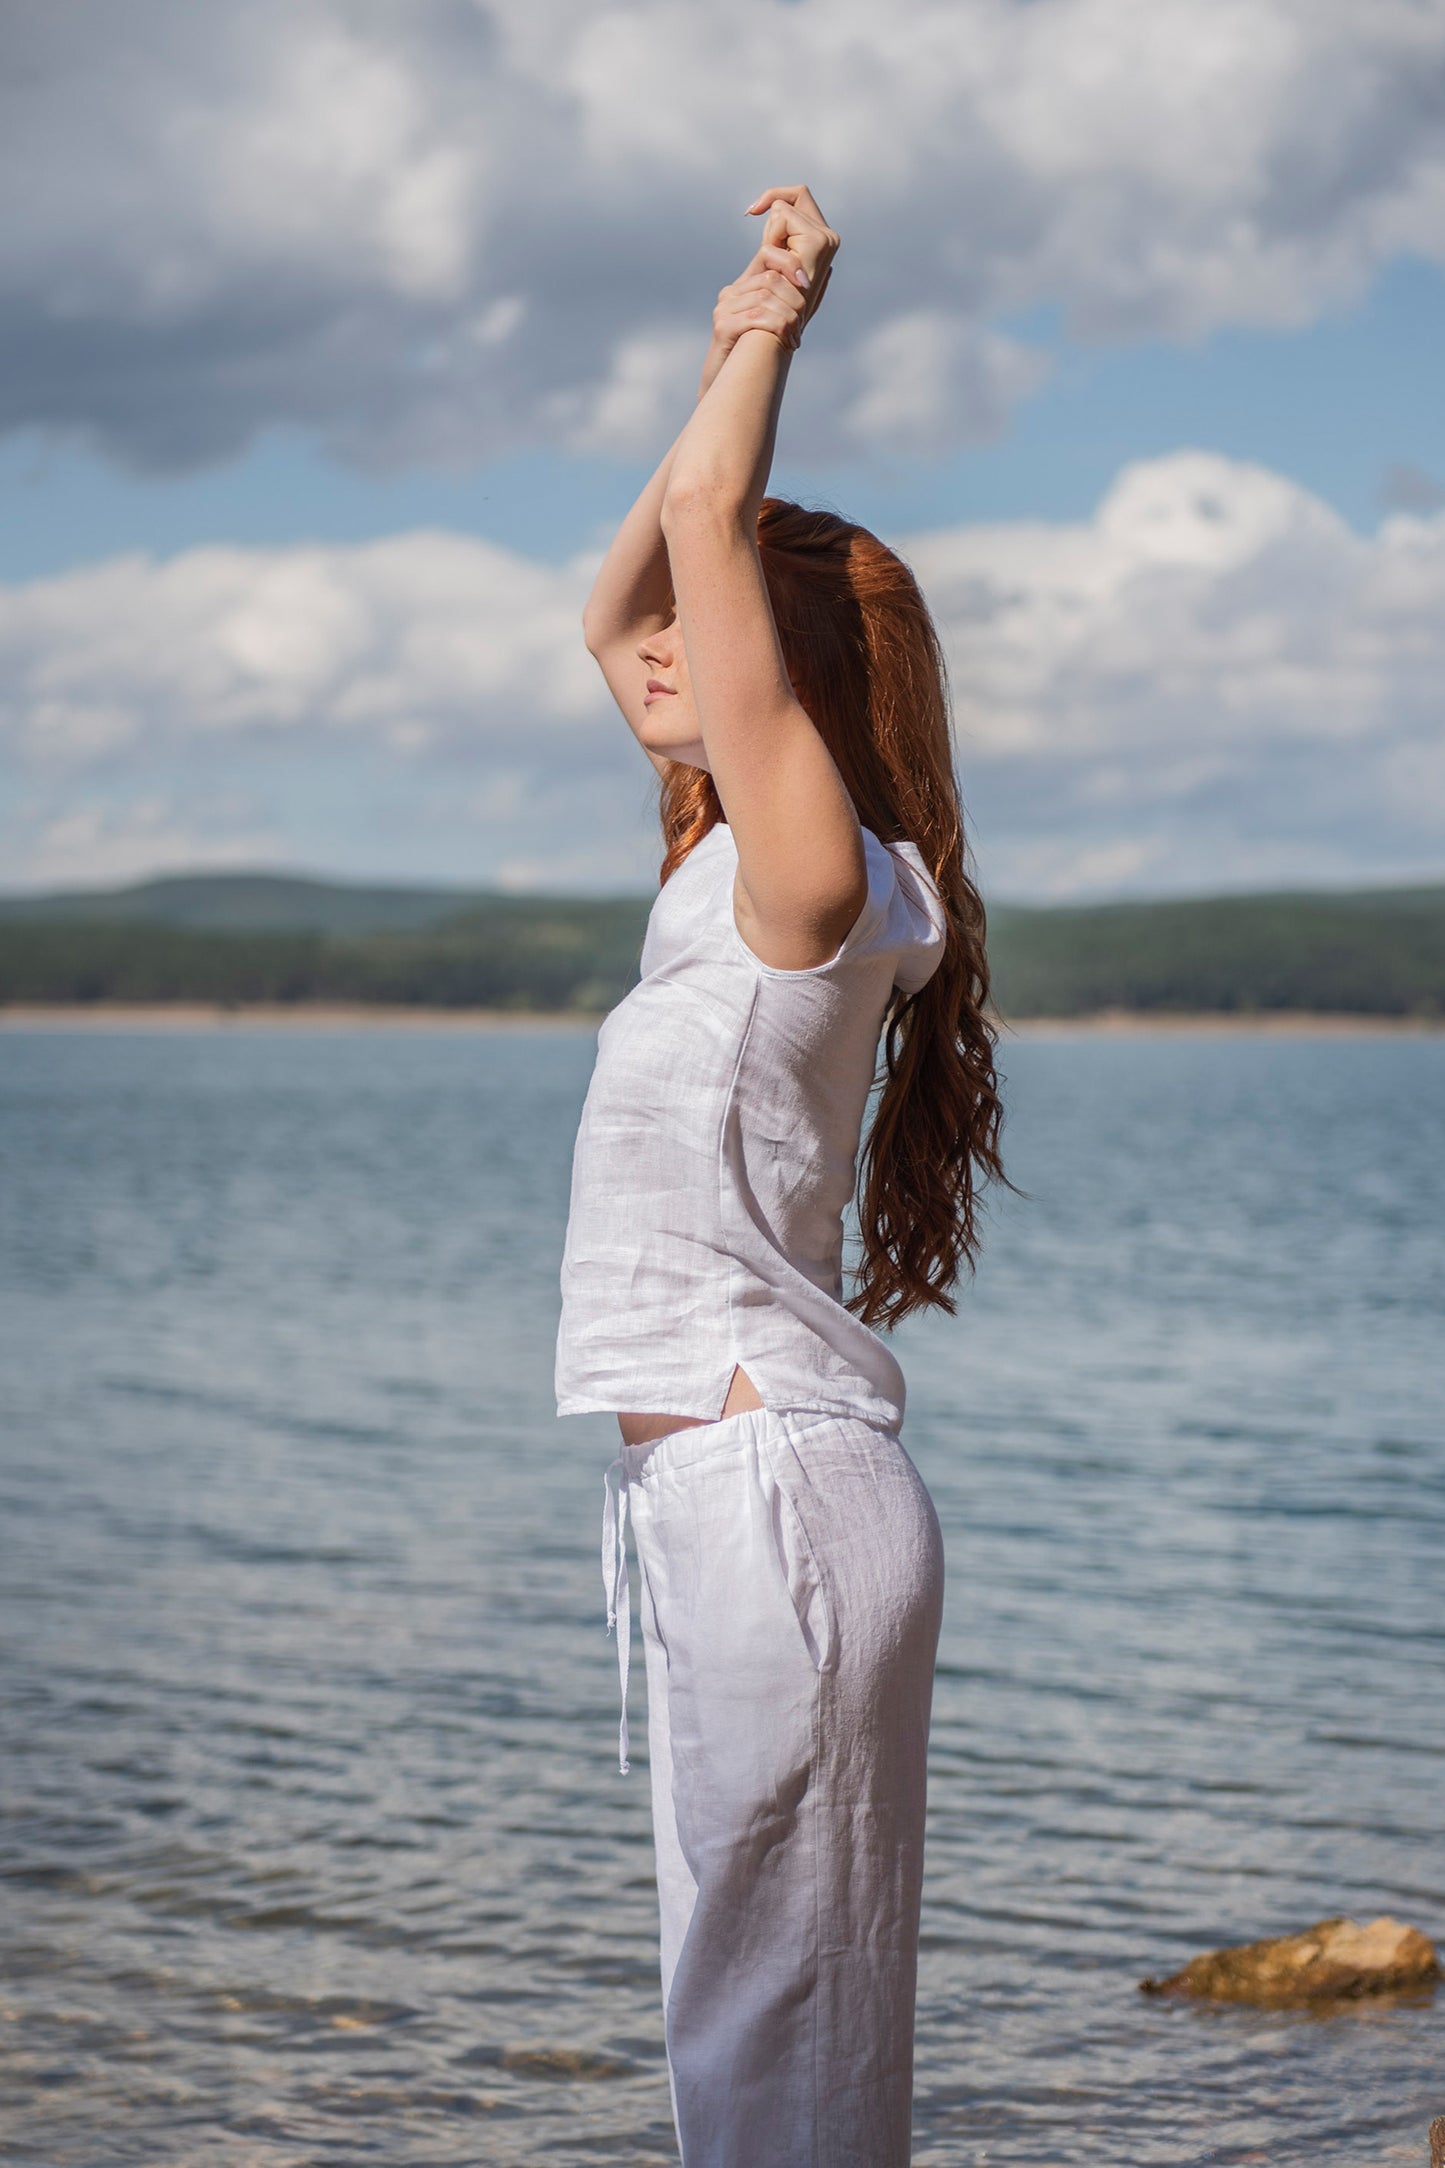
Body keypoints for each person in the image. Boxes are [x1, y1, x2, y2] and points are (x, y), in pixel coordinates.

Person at [554, 183, 1006, 2168]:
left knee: (777, 2048)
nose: (654, 640)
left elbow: (700, 523)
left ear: (786, 675)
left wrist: (769, 326)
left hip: (772, 1498)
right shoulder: (740, 874)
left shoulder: (815, 882)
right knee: (756, 2031)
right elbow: (621, 598)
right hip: (733, 1494)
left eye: (708, 617)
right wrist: (713, 367)